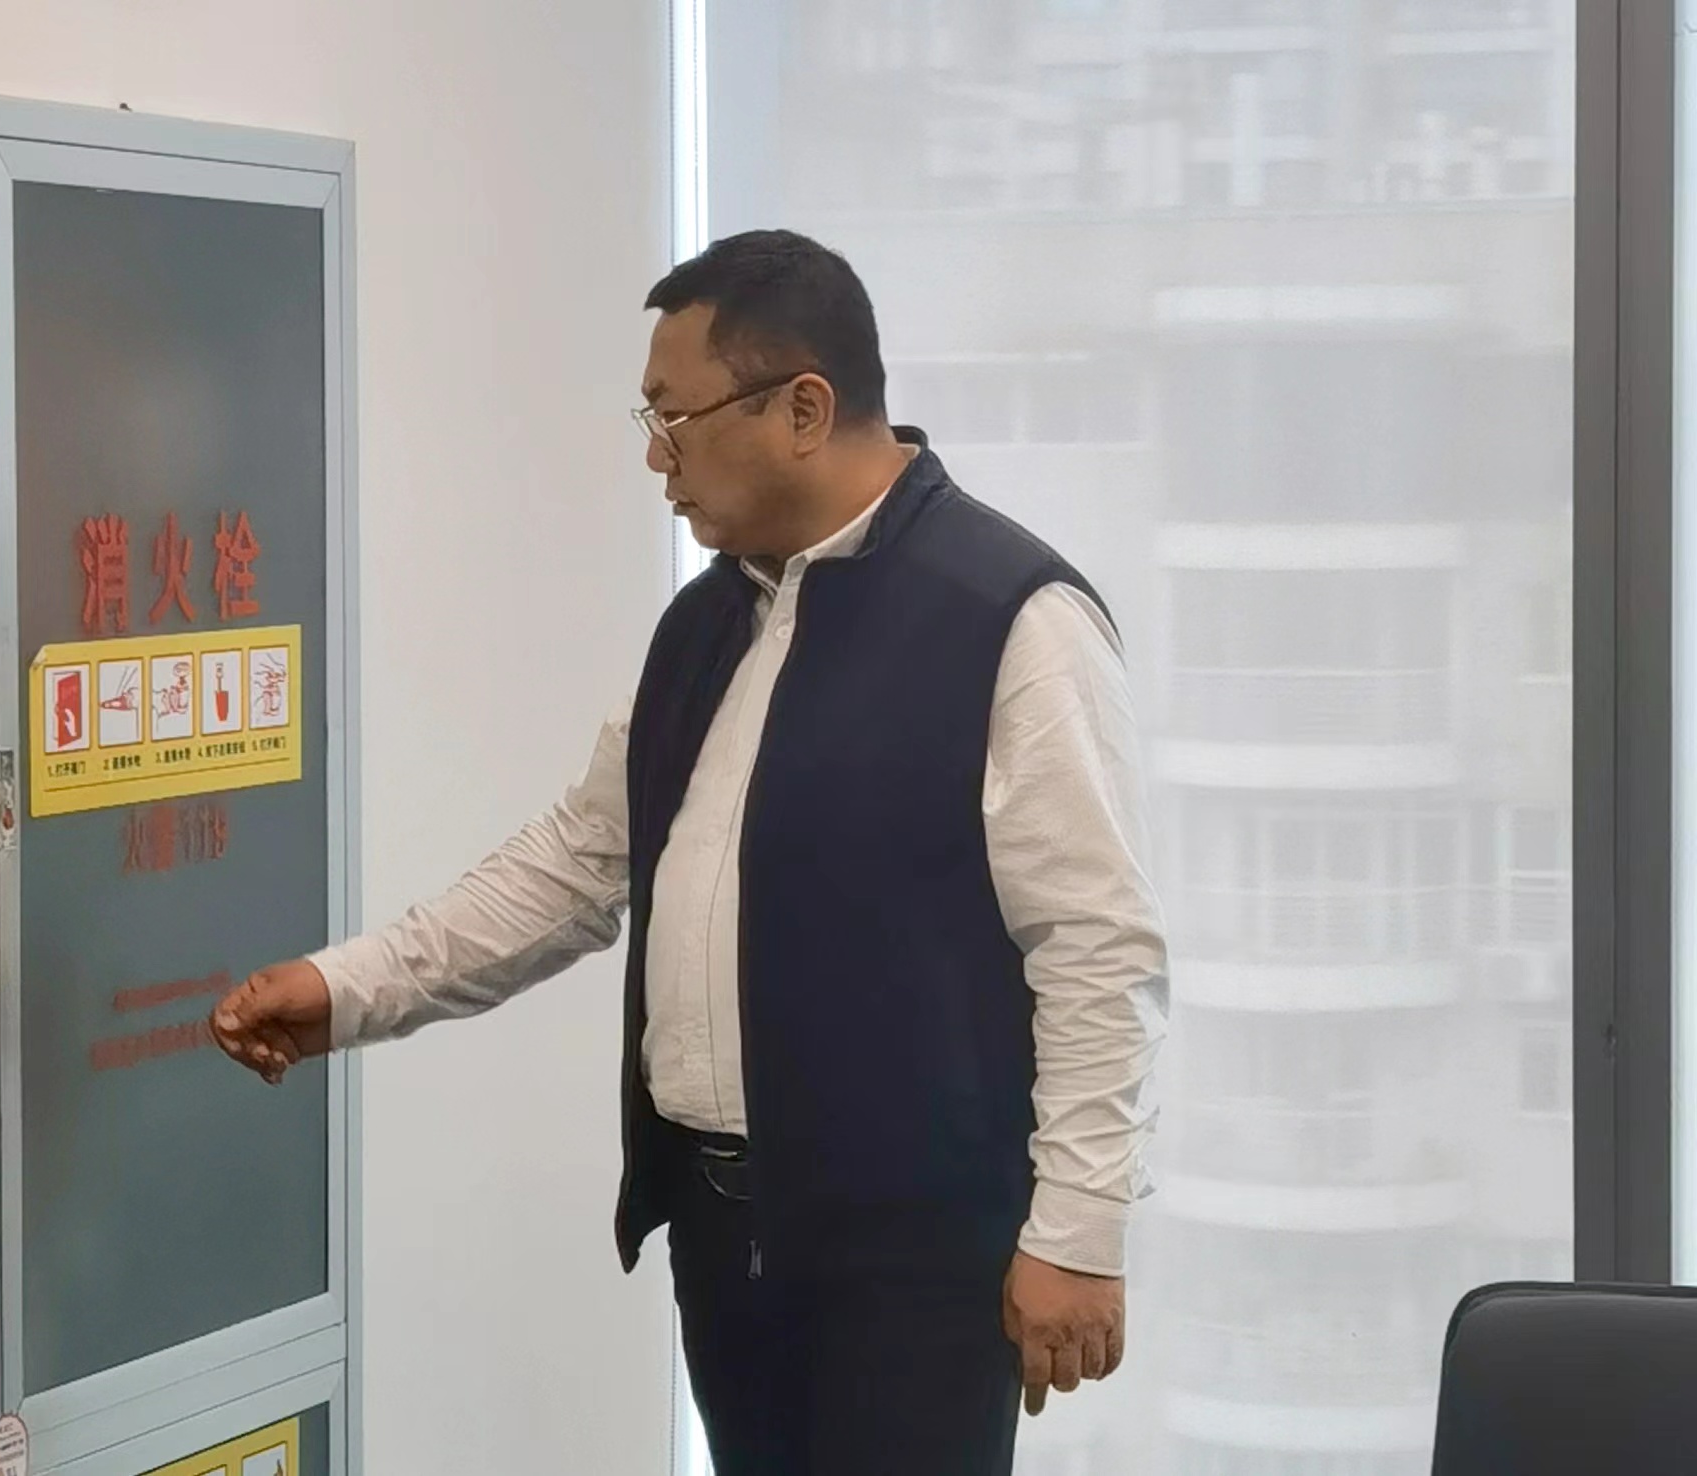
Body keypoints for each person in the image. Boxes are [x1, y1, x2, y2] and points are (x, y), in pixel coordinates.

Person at [210, 229, 1167, 1476]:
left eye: (675, 418)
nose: (656, 459)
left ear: (803, 409)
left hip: (915, 1264)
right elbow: (577, 862)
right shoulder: (708, 624)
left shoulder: (1010, 618)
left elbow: (1096, 949)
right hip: (724, 1243)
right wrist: (348, 989)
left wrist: (1079, 1231)